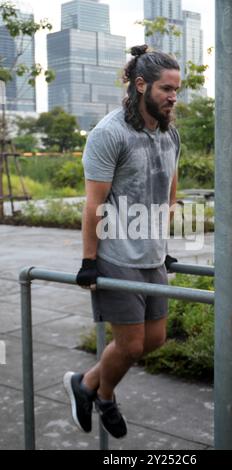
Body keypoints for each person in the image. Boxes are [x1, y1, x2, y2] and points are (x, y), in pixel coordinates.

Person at [63, 44, 181, 440]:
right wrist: (89, 260)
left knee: (156, 339)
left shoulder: (169, 134)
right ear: (141, 85)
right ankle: (106, 394)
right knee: (129, 345)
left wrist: (162, 240)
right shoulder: (108, 134)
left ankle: (86, 384)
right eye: (166, 89)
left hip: (151, 255)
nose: (173, 97)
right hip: (115, 253)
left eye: (177, 90)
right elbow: (94, 202)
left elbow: (169, 190)